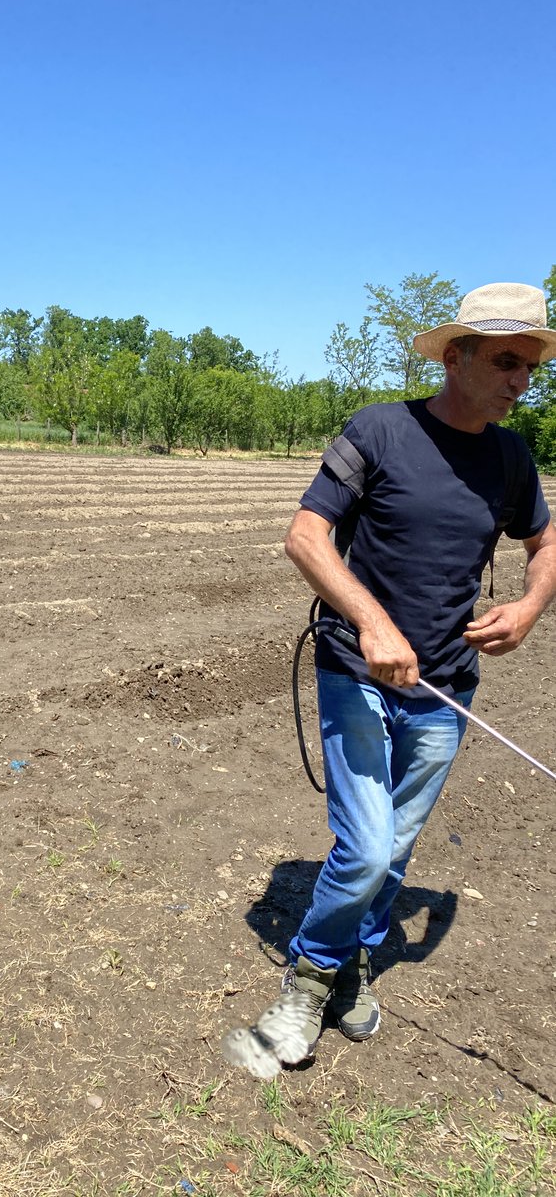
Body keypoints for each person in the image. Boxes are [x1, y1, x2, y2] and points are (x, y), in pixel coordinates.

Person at [281, 282, 556, 1054]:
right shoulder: (380, 431)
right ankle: (309, 973)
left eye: (530, 368)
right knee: (366, 847)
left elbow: (546, 544)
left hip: (446, 690)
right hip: (356, 671)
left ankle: (353, 959)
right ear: (456, 357)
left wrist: (531, 608)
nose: (520, 381)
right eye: (506, 362)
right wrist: (371, 623)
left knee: (395, 852)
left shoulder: (510, 456)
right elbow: (306, 536)